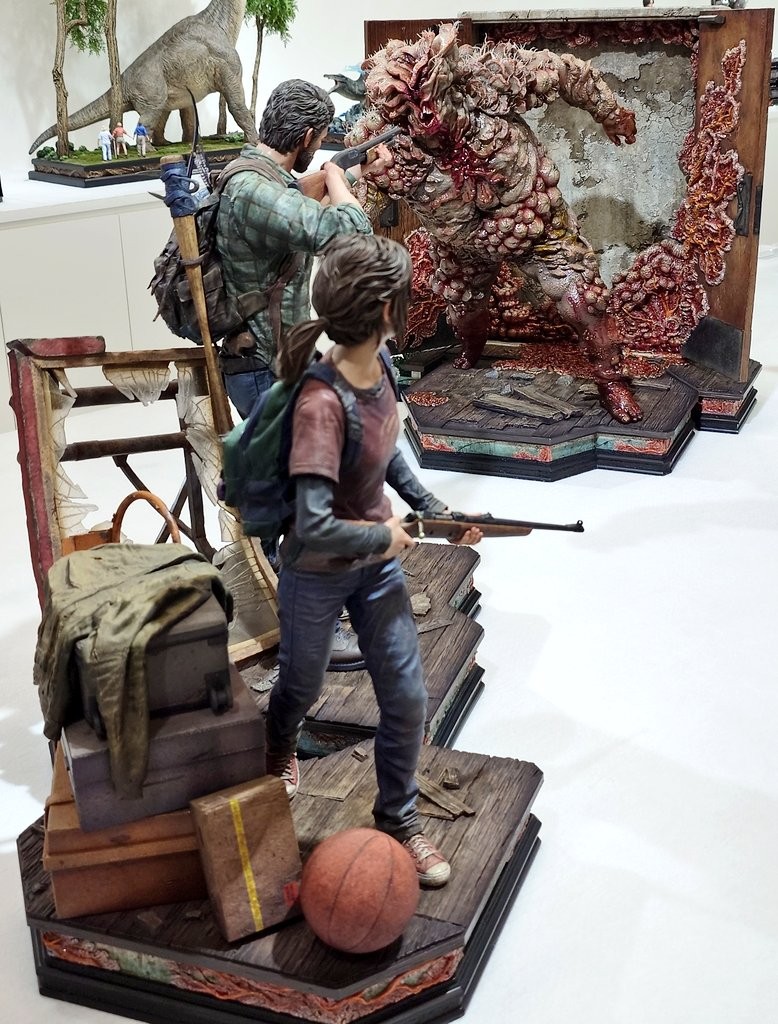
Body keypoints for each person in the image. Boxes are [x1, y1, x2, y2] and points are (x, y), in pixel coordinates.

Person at [264, 234, 483, 887]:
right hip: (316, 571)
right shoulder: (319, 404)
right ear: (386, 310)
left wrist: (434, 509)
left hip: (375, 566)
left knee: (407, 697)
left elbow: (387, 453)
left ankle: (399, 819)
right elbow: (313, 523)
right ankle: (277, 746)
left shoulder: (380, 364)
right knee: (301, 685)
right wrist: (383, 538)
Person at [216, 78, 384, 420]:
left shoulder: (259, 177)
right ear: (307, 137)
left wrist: (353, 175)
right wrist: (334, 176)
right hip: (266, 371)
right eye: (320, 139)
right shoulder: (253, 190)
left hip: (277, 365)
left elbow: (297, 217)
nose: (318, 145)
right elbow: (355, 236)